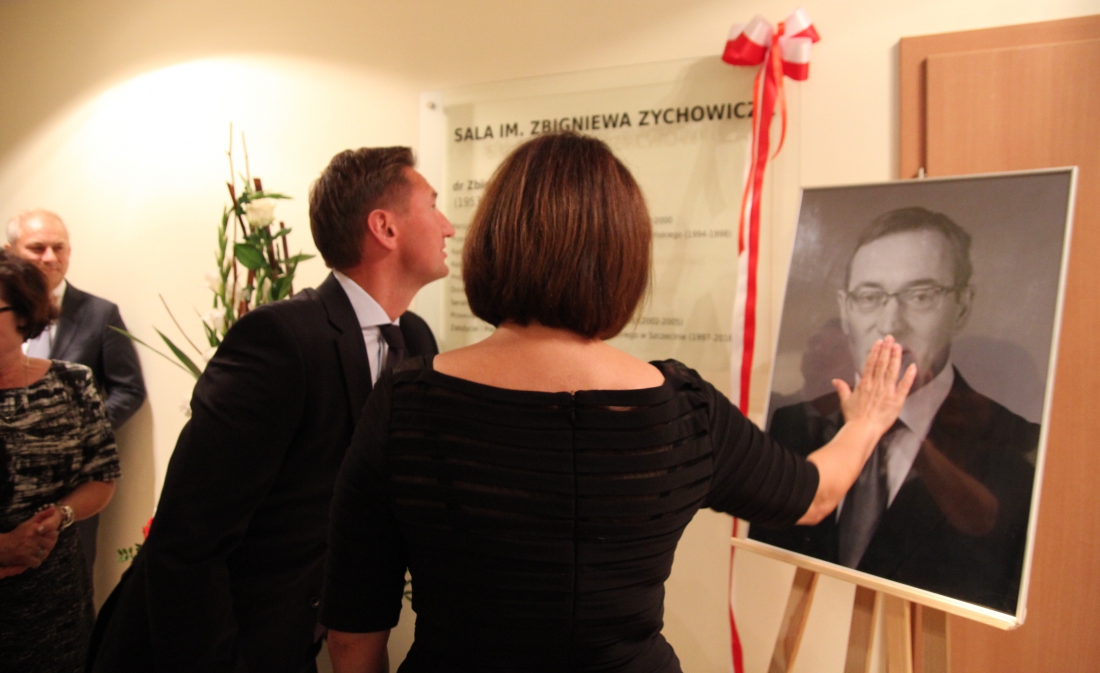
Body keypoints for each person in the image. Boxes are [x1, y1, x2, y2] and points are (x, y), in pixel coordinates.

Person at [319, 132, 915, 673]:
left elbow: (352, 636)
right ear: (623, 257)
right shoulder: (685, 408)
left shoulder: (404, 403)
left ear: (495, 242)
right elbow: (814, 495)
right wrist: (867, 423)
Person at [89, 146, 454, 672]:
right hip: (203, 648)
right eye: (433, 206)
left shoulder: (415, 339)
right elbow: (189, 538)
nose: (447, 226)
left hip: (292, 642)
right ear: (385, 227)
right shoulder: (280, 338)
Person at [750, 207, 1039, 613]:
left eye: (920, 296)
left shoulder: (1013, 447)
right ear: (846, 309)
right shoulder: (791, 425)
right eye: (870, 297)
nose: (890, 323)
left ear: (962, 306)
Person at [6, 209, 146, 582]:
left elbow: (128, 388)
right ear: (11, 251)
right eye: (37, 248)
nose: (49, 257)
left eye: (59, 248)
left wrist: (79, 433)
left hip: (72, 493)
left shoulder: (99, 313)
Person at [0, 250, 120, 672]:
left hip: (55, 601)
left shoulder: (72, 382)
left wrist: (62, 515)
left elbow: (102, 476)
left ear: (23, 315)